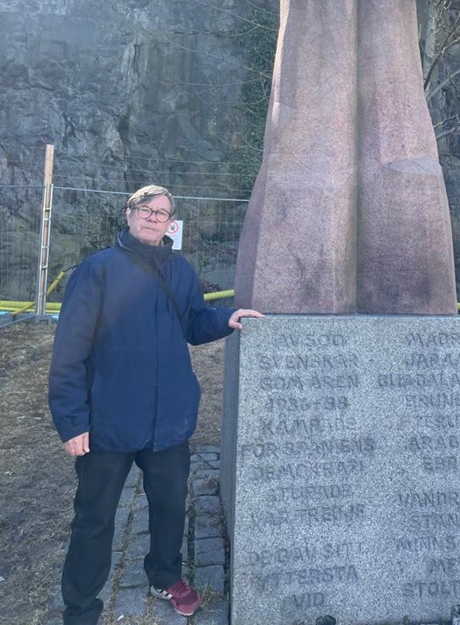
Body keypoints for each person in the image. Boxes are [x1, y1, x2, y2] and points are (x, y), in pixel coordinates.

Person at [49, 184, 263, 623]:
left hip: (169, 421)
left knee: (170, 507)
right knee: (94, 518)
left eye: (161, 212)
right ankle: (81, 607)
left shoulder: (181, 270)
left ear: (171, 224)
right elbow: (69, 351)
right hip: (108, 422)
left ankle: (164, 575)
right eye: (145, 209)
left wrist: (227, 318)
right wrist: (72, 423)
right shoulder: (97, 270)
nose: (152, 217)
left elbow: (192, 324)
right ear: (129, 215)